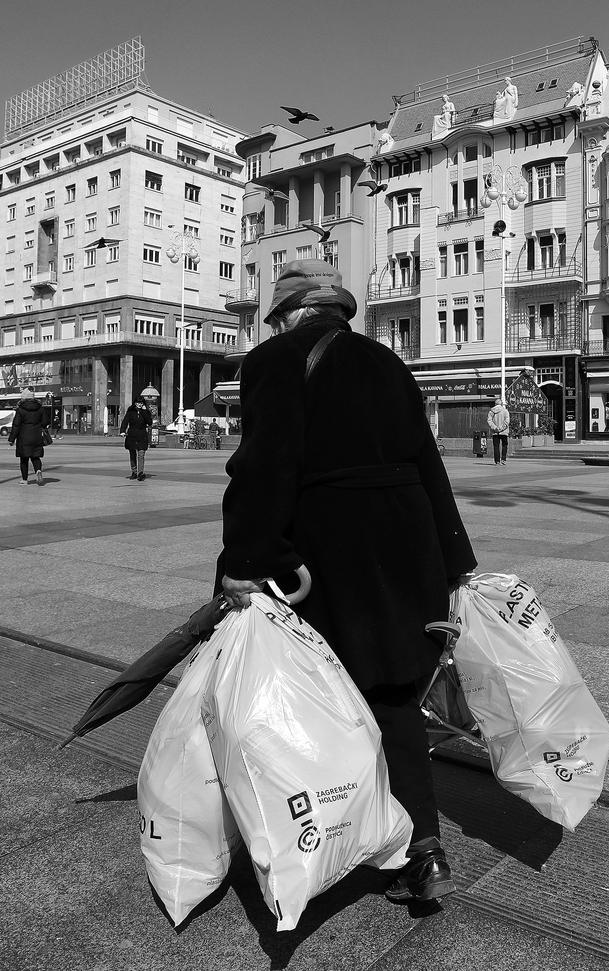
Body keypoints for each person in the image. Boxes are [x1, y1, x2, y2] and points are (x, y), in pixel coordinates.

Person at [217, 257, 476, 904]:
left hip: (332, 553)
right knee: (391, 694)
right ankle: (424, 847)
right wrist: (453, 561)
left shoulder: (275, 361)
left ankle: (327, 837)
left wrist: (246, 559)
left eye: (277, 318)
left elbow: (264, 466)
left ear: (292, 312)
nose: (274, 327)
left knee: (316, 697)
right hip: (408, 546)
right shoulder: (388, 362)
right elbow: (426, 459)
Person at [9, 389, 49, 485]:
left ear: (24, 398)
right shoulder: (40, 408)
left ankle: (24, 479)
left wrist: (12, 439)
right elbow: (45, 422)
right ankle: (38, 470)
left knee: (24, 459)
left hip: (23, 437)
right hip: (36, 436)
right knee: (35, 457)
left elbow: (16, 425)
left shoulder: (20, 409)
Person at [121, 397, 154, 480]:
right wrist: (122, 431)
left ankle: (140, 473)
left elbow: (149, 422)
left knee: (141, 454)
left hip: (142, 435)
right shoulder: (130, 412)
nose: (140, 404)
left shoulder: (145, 412)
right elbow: (125, 422)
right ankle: (134, 472)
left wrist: (144, 411)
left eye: (141, 403)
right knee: (132, 455)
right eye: (138, 402)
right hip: (132, 435)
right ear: (135, 403)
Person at [487, 396, 510, 466]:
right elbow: (507, 421)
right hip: (504, 432)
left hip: (495, 432)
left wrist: (495, 428)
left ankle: (497, 461)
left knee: (496, 446)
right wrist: (501, 428)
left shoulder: (491, 411)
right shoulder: (505, 411)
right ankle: (503, 459)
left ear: (495, 404)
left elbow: (489, 421)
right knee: (504, 445)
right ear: (501, 404)